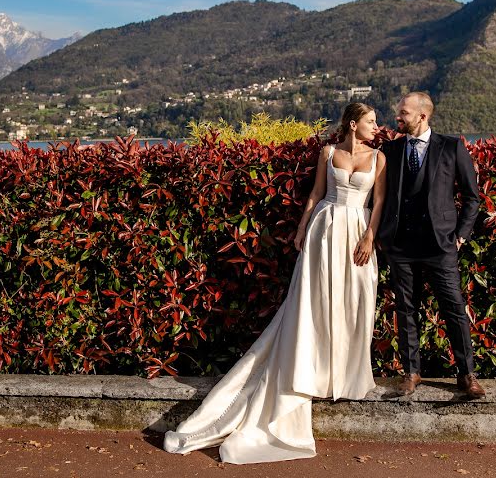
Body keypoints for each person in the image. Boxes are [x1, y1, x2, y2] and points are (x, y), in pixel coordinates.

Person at [163, 103, 386, 464]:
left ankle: (343, 375)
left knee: (354, 302)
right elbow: (315, 194)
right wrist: (301, 228)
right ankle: (309, 368)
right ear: (352, 123)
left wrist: (369, 238)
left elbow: (378, 203)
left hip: (357, 232)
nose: (378, 127)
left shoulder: (379, 159)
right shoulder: (328, 152)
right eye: (371, 121)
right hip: (325, 233)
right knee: (314, 303)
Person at [376, 92, 484, 399]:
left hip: (440, 245)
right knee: (406, 309)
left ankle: (466, 375)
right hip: (400, 245)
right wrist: (383, 235)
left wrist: (461, 234)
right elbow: (380, 197)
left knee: (454, 308)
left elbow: (472, 196)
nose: (398, 118)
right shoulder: (391, 149)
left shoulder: (451, 147)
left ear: (423, 116)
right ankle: (411, 372)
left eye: (404, 113)